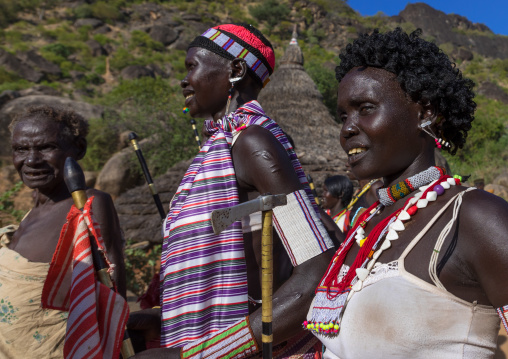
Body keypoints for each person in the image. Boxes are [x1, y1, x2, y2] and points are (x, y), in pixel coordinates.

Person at [128, 23, 336, 358]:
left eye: (192, 67)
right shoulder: (222, 148)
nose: (183, 80)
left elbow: (316, 275)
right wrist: (160, 320)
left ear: (235, 70)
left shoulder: (252, 142)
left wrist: (194, 356)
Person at [306, 28, 508, 358]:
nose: (346, 129)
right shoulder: (368, 223)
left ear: (425, 114)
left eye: (366, 108)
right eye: (343, 115)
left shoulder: (474, 217)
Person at [1, 105, 126, 358]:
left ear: (79, 148)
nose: (32, 160)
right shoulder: (33, 209)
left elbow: (112, 293)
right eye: (21, 149)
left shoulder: (89, 204)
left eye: (46, 147)